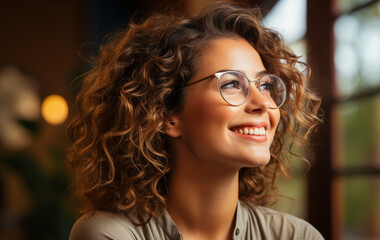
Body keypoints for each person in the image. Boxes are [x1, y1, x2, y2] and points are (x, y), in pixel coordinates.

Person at [67, 2, 323, 240]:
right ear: (167, 113)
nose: (263, 104)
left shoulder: (297, 236)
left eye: (265, 85)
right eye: (232, 83)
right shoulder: (108, 233)